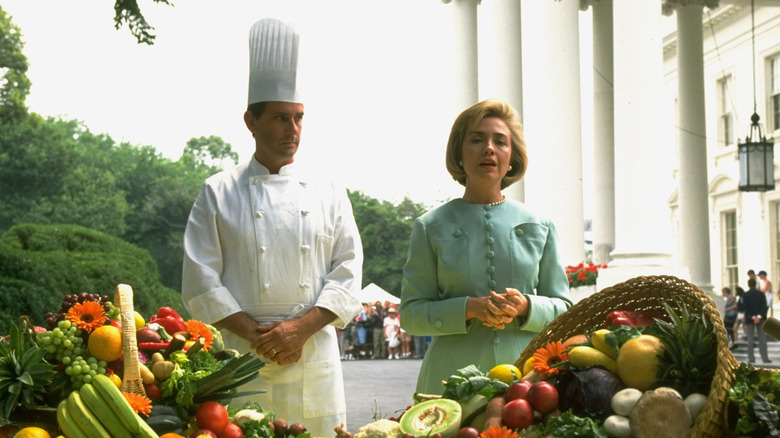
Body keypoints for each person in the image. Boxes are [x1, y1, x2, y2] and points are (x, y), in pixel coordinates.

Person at [180, 18, 364, 437]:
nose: (293, 130)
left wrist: (300, 329)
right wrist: (255, 335)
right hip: (242, 359)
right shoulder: (217, 191)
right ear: (251, 120)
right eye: (281, 118)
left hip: (312, 354)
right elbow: (200, 279)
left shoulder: (330, 190)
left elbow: (348, 270)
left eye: (299, 118)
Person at [399, 99, 572, 395]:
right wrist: (467, 308)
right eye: (476, 139)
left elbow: (565, 309)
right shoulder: (430, 226)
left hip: (527, 380)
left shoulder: (541, 225)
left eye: (500, 141)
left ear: (512, 157)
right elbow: (411, 315)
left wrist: (526, 306)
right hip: (448, 380)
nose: (488, 148)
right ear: (459, 152)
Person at [742, 278, 771, 363]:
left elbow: (746, 307)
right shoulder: (761, 294)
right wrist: (759, 316)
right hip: (761, 318)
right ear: (755, 284)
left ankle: (751, 358)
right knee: (762, 338)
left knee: (750, 338)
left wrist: (753, 316)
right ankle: (765, 358)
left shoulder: (745, 295)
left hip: (750, 318)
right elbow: (764, 306)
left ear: (748, 285)